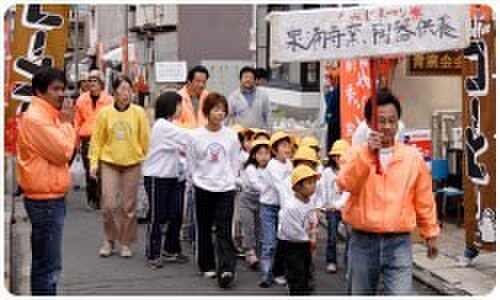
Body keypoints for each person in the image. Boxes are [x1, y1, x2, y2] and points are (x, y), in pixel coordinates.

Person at [336, 89, 440, 295]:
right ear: (368, 123)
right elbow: (346, 183)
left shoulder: (412, 158)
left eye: (392, 121)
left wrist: (430, 233)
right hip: (362, 241)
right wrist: (367, 154)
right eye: (381, 121)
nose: (387, 127)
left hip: (399, 242)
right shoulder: (355, 154)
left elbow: (424, 199)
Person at [16, 67, 76, 295]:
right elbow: (63, 152)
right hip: (46, 201)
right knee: (48, 267)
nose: (62, 94)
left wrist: (63, 124)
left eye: (64, 88)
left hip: (49, 197)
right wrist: (67, 124)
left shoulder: (47, 114)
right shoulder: (38, 119)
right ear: (40, 91)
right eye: (56, 89)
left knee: (45, 263)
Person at [89, 75, 150, 258]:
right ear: (114, 92)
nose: (126, 93)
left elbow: (145, 139)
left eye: (128, 89)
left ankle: (126, 242)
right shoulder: (105, 113)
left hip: (132, 163)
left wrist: (146, 160)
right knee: (108, 204)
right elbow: (97, 140)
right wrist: (93, 162)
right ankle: (109, 239)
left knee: (128, 207)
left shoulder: (139, 112)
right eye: (122, 89)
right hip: (109, 162)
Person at [188, 92, 240, 289]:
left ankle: (226, 269)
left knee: (224, 228)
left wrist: (232, 180)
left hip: (225, 187)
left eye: (223, 109)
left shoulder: (231, 135)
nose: (220, 113)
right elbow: (192, 162)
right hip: (203, 186)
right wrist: (195, 180)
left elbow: (234, 161)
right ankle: (206, 264)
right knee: (204, 226)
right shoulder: (195, 136)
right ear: (207, 111)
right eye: (216, 109)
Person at [142, 91, 191, 269]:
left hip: (174, 176)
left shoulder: (172, 125)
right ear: (171, 106)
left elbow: (183, 146)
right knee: (158, 216)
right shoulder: (162, 126)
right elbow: (188, 138)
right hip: (157, 176)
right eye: (179, 105)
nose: (181, 108)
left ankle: (171, 250)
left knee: (176, 214)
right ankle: (153, 253)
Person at [278, 165, 321, 295]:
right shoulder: (291, 207)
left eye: (314, 182)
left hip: (305, 242)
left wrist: (313, 233)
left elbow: (311, 218)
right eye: (309, 183)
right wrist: (309, 237)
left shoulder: (309, 201)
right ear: (297, 187)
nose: (313, 186)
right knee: (296, 272)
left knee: (306, 269)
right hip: (294, 245)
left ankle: (304, 287)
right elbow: (292, 231)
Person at [74, 69, 114, 210]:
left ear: (101, 83)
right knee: (90, 170)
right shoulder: (81, 100)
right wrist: (76, 142)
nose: (91, 83)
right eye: (89, 80)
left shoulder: (109, 100)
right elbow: (77, 122)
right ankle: (92, 200)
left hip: (104, 138)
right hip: (87, 138)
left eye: (94, 80)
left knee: (104, 170)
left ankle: (102, 199)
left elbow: (113, 121)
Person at [259, 131, 293, 288]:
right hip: (268, 208)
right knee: (269, 242)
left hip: (282, 207)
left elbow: (291, 187)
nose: (287, 148)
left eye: (288, 145)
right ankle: (266, 275)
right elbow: (280, 187)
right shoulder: (272, 166)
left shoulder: (289, 164)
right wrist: (288, 208)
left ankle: (278, 272)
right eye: (283, 145)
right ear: (274, 150)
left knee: (282, 242)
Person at [240, 139, 272, 269]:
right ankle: (249, 252)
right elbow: (254, 183)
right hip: (247, 200)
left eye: (266, 153)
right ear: (253, 155)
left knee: (260, 228)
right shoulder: (250, 168)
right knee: (249, 227)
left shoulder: (271, 168)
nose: (264, 156)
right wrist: (268, 190)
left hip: (262, 201)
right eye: (260, 153)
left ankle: (259, 253)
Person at [321, 139, 351, 274]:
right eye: (336, 156)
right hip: (332, 208)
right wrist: (325, 206)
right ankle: (331, 261)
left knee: (351, 236)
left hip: (347, 207)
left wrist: (340, 204)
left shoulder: (351, 171)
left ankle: (348, 262)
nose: (338, 158)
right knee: (332, 235)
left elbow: (349, 191)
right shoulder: (327, 172)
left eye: (341, 155)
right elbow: (324, 190)